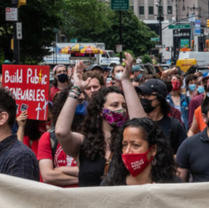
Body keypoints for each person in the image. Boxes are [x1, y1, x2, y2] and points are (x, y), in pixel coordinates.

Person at [56, 53, 147, 186]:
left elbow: (142, 125)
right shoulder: (83, 143)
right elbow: (61, 132)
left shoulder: (128, 143)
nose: (120, 110)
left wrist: (126, 81)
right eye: (114, 105)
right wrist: (76, 87)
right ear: (100, 111)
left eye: (124, 106)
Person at [101, 118, 178, 185]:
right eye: (124, 145)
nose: (127, 151)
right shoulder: (110, 184)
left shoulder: (171, 185)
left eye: (135, 145)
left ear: (153, 150)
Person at [37, 88, 80, 187]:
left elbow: (98, 171)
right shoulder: (48, 137)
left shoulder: (91, 136)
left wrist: (61, 169)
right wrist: (82, 177)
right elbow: (47, 176)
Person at [135, 79, 187, 152]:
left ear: (160, 98)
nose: (143, 98)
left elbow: (184, 153)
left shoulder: (174, 126)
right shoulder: (137, 124)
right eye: (142, 95)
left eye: (148, 95)